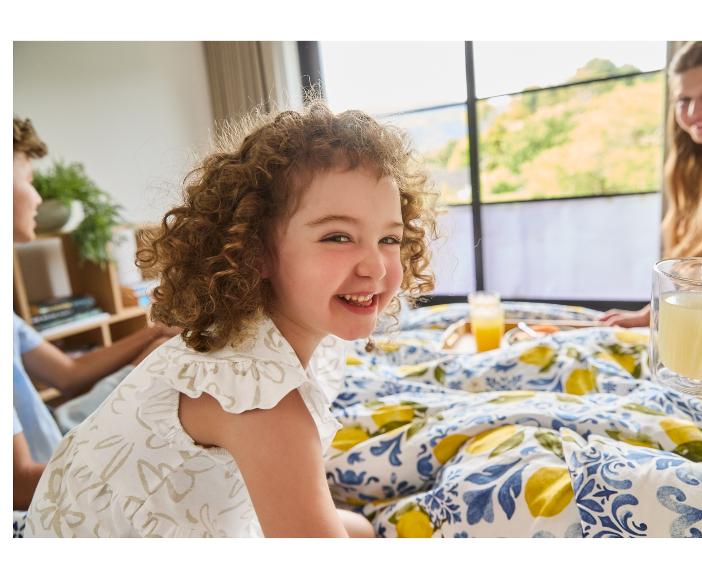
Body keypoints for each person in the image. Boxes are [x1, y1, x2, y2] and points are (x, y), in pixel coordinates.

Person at [24, 100, 438, 538]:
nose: (375, 267)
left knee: (358, 530)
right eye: (337, 237)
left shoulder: (264, 335)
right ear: (254, 251)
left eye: (389, 237)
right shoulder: (261, 399)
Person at [12, 117, 177, 511]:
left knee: (164, 348)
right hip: (42, 480)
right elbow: (18, 485)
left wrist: (154, 332)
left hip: (57, 435)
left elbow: (66, 375)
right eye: (27, 178)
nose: (37, 198)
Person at [599, 42, 702, 419]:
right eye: (683, 100)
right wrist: (650, 314)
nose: (693, 112)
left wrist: (654, 317)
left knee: (608, 365)